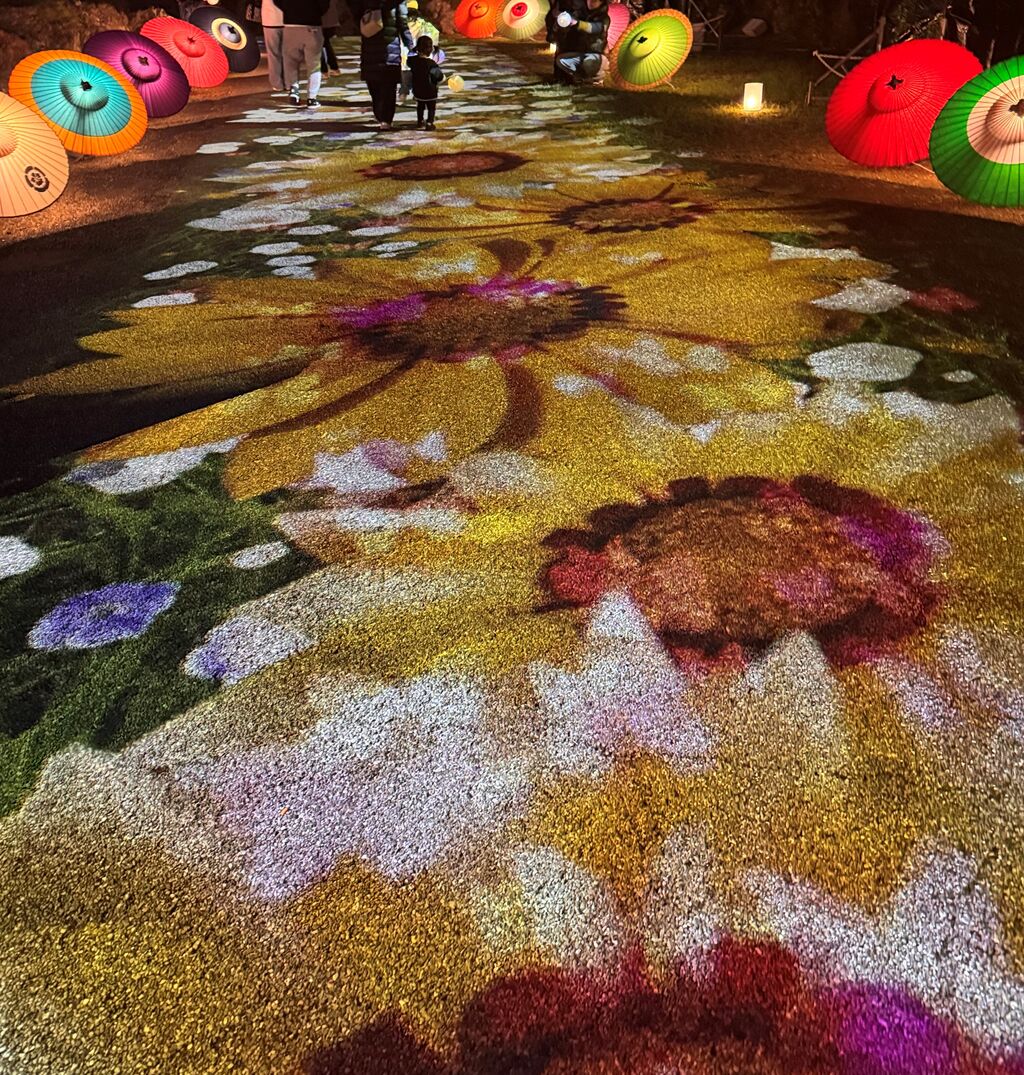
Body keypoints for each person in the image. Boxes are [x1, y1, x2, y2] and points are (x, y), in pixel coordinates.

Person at [359, 0, 415, 129]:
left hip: (369, 49)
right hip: (390, 51)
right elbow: (403, 26)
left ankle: (380, 115)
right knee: (388, 88)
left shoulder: (367, 4)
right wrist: (411, 46)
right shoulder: (397, 4)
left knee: (374, 86)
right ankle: (386, 120)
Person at [278, 0, 328, 106]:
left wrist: (288, 10)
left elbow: (277, 2)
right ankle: (312, 98)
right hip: (312, 25)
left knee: (290, 61)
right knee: (314, 65)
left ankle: (293, 89)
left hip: (290, 24)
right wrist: (315, 11)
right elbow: (325, 5)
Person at [554, 0, 610, 84]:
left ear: (601, 2)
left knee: (589, 62)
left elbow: (594, 28)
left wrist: (577, 23)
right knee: (561, 60)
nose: (590, 2)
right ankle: (581, 77)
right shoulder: (581, 14)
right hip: (582, 53)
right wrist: (562, 21)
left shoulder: (604, 18)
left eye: (594, 1)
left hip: (596, 54)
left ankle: (598, 78)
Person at [408, 34, 444, 129]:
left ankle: (420, 121)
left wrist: (413, 51)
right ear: (430, 50)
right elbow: (439, 76)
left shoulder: (413, 62)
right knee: (431, 107)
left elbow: (409, 59)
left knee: (420, 105)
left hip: (418, 90)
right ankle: (429, 122)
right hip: (430, 91)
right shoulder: (432, 64)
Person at [261, 0, 286, 93]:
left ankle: (277, 83)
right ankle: (289, 82)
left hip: (270, 19)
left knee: (273, 55)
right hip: (288, 20)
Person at [321, 0, 342, 77]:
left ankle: (325, 70)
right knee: (325, 43)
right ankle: (333, 68)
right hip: (331, 21)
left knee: (320, 44)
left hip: (322, 21)